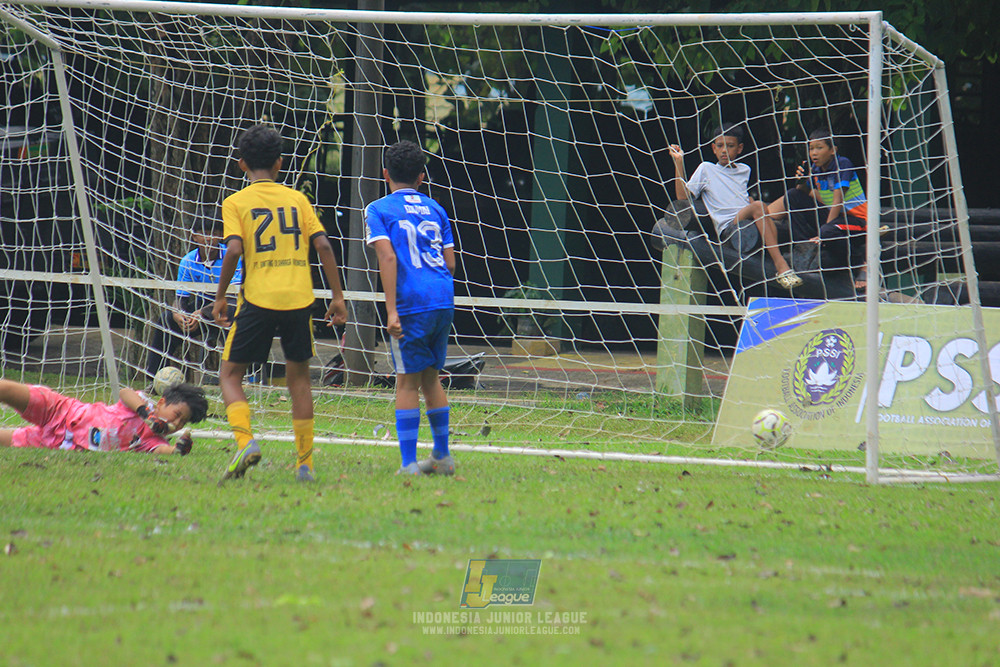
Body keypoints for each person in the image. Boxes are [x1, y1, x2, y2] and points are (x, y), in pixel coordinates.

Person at [212, 124, 347, 483]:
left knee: (229, 374)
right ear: (280, 163)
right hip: (298, 299)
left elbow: (235, 249)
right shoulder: (298, 200)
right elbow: (323, 246)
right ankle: (305, 464)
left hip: (257, 298)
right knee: (299, 380)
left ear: (241, 165)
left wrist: (222, 294)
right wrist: (336, 296)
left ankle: (245, 441)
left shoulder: (235, 202)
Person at [365, 140, 457, 475]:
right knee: (431, 378)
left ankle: (407, 463)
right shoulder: (436, 209)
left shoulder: (378, 209)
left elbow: (387, 256)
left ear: (385, 173)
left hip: (411, 303)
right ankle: (443, 456)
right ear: (422, 177)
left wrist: (391, 311)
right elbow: (450, 262)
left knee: (406, 381)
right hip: (442, 298)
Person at [669, 122, 803, 290]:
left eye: (730, 146)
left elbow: (739, 196)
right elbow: (682, 197)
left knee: (791, 196)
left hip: (748, 213)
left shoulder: (744, 169)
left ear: (739, 148)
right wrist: (678, 162)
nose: (724, 150)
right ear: (713, 148)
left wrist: (751, 204)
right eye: (720, 146)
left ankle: (809, 245)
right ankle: (781, 266)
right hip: (730, 225)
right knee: (758, 207)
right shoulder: (706, 169)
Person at [145, 209, 243, 383]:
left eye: (213, 233)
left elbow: (234, 297)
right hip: (201, 309)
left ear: (221, 236)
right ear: (194, 237)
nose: (208, 238)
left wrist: (203, 313)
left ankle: (238, 377)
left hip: (227, 308)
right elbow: (181, 298)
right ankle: (153, 379)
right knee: (165, 320)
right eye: (203, 233)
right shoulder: (188, 261)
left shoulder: (233, 257)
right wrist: (177, 313)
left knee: (235, 316)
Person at [766, 127, 869, 289]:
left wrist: (822, 232)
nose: (814, 153)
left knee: (828, 231)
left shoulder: (842, 164)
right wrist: (802, 179)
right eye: (811, 148)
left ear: (832, 150)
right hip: (834, 219)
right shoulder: (815, 169)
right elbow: (802, 194)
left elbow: (837, 201)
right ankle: (804, 246)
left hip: (857, 221)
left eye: (819, 148)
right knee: (792, 195)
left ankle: (860, 262)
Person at [0, 379, 208, 456]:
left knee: (5, 439)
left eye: (183, 422)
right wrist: (145, 414)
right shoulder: (141, 403)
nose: (177, 423)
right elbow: (125, 393)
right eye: (177, 415)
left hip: (57, 444)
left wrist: (178, 450)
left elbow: (163, 450)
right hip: (62, 411)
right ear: (161, 403)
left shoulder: (152, 440)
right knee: (7, 389)